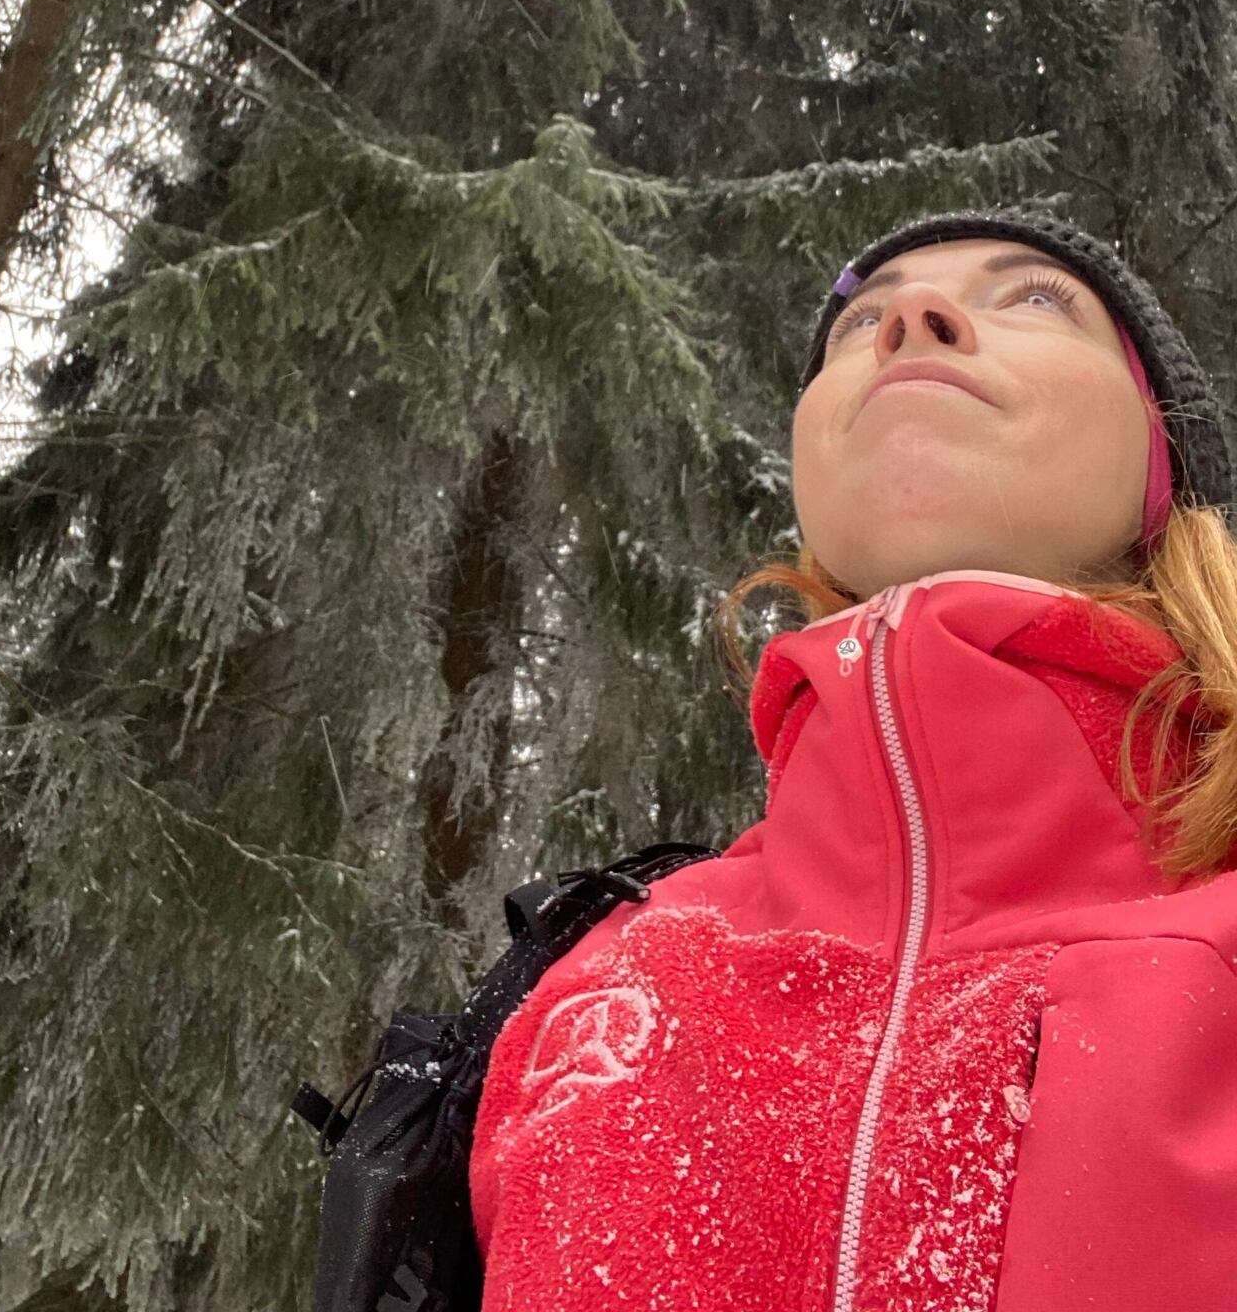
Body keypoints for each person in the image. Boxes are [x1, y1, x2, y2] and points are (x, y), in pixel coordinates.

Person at [466, 203, 1237, 1312]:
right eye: (857, 323)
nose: (911, 317)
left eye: (1035, 299)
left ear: (1168, 463)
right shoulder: (590, 987)